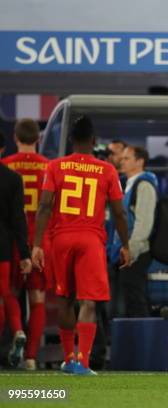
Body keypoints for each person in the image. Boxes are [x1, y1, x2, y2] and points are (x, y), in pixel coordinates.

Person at [31, 116, 130, 375]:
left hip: (61, 238)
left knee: (64, 299)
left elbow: (44, 206)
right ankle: (83, 362)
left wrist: (37, 244)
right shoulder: (107, 170)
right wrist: (126, 244)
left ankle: (68, 358)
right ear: (94, 141)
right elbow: (119, 213)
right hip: (91, 239)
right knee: (89, 302)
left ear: (71, 140)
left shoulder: (55, 166)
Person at [0, 119, 50, 370]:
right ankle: (31, 357)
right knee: (38, 298)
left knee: (7, 295)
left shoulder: (6, 166)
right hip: (40, 239)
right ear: (38, 139)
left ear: (15, 138)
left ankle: (13, 339)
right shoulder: (49, 167)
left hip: (11, 241)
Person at [110, 145, 158, 317]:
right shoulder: (128, 185)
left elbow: (143, 224)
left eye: (127, 158)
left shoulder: (144, 185)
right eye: (121, 158)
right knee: (129, 299)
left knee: (135, 300)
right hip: (125, 251)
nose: (121, 162)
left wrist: (131, 249)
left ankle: (141, 338)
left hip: (135, 253)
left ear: (140, 161)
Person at [0, 132, 33, 368]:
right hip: (3, 243)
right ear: (2, 149)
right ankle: (18, 330)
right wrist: (24, 254)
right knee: (5, 292)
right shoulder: (13, 179)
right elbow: (18, 220)